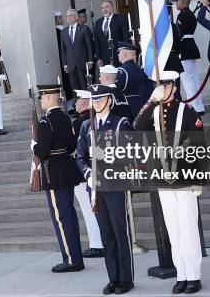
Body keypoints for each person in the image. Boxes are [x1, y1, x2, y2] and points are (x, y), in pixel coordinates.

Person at [133, 71, 205, 294]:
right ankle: (181, 274)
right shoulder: (153, 110)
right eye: (159, 86)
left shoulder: (186, 110)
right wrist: (151, 99)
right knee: (173, 229)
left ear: (173, 87)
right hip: (162, 177)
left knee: (188, 228)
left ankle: (194, 276)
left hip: (184, 177)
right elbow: (137, 126)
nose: (162, 90)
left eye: (165, 87)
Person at [76, 84, 134, 295]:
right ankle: (113, 278)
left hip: (115, 185)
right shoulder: (86, 126)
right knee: (106, 234)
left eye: (100, 100)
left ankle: (126, 279)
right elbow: (80, 156)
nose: (96, 104)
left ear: (109, 100)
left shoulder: (120, 123)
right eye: (94, 100)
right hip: (96, 188)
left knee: (120, 233)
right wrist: (88, 174)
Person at [31, 84, 84, 273]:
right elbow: (71, 146)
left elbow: (42, 151)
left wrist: (34, 146)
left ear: (48, 99)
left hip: (53, 172)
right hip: (66, 168)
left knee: (61, 217)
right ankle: (76, 256)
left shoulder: (47, 122)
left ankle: (71, 259)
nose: (41, 102)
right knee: (68, 213)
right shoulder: (65, 118)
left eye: (43, 98)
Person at [71, 90, 104, 259]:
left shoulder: (79, 123)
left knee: (89, 210)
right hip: (96, 172)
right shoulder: (95, 119)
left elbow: (76, 150)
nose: (75, 103)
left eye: (77, 101)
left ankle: (97, 244)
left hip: (83, 174)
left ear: (84, 103)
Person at [175, 0, 205, 114]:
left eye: (177, 1)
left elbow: (178, 33)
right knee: (194, 78)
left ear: (182, 2)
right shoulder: (191, 14)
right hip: (191, 47)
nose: (176, 3)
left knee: (188, 79)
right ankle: (199, 106)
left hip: (184, 49)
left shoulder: (182, 16)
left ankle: (193, 107)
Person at [115, 42, 154, 120]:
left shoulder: (121, 71)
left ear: (125, 54)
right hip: (140, 108)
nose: (118, 55)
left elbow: (115, 91)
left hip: (126, 110)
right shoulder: (139, 70)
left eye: (119, 52)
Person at [60, 9, 94, 92]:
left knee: (84, 86)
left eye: (70, 16)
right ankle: (77, 103)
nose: (68, 18)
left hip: (82, 63)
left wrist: (90, 61)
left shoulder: (84, 29)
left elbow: (89, 46)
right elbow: (63, 49)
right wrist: (65, 64)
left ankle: (87, 103)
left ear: (76, 17)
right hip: (70, 64)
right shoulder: (63, 32)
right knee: (75, 88)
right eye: (67, 16)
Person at [94, 1, 129, 66]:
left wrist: (125, 52)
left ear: (112, 8)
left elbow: (125, 36)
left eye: (107, 7)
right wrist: (98, 58)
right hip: (104, 58)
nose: (105, 9)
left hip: (119, 55)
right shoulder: (98, 22)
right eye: (103, 8)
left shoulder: (120, 18)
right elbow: (97, 41)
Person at [54, 11, 74, 106]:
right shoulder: (58, 31)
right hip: (64, 59)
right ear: (56, 19)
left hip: (70, 59)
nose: (62, 19)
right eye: (60, 17)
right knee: (67, 81)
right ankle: (70, 103)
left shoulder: (65, 30)